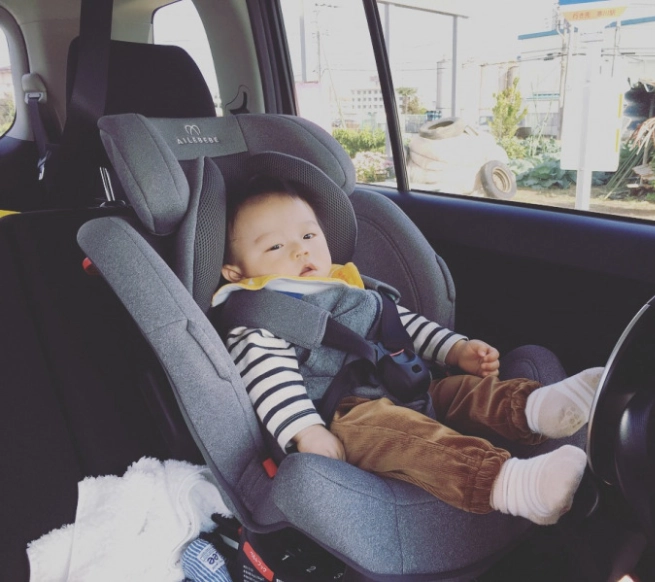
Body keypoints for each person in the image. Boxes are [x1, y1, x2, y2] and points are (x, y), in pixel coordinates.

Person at [213, 179, 603, 525]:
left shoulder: (344, 285)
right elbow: (270, 379)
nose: (301, 251)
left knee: (463, 390)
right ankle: (513, 486)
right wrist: (305, 430)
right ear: (236, 272)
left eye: (309, 235)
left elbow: (399, 324)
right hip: (346, 418)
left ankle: (537, 409)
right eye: (276, 246)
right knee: (409, 438)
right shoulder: (260, 314)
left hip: (401, 385)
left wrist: (455, 349)